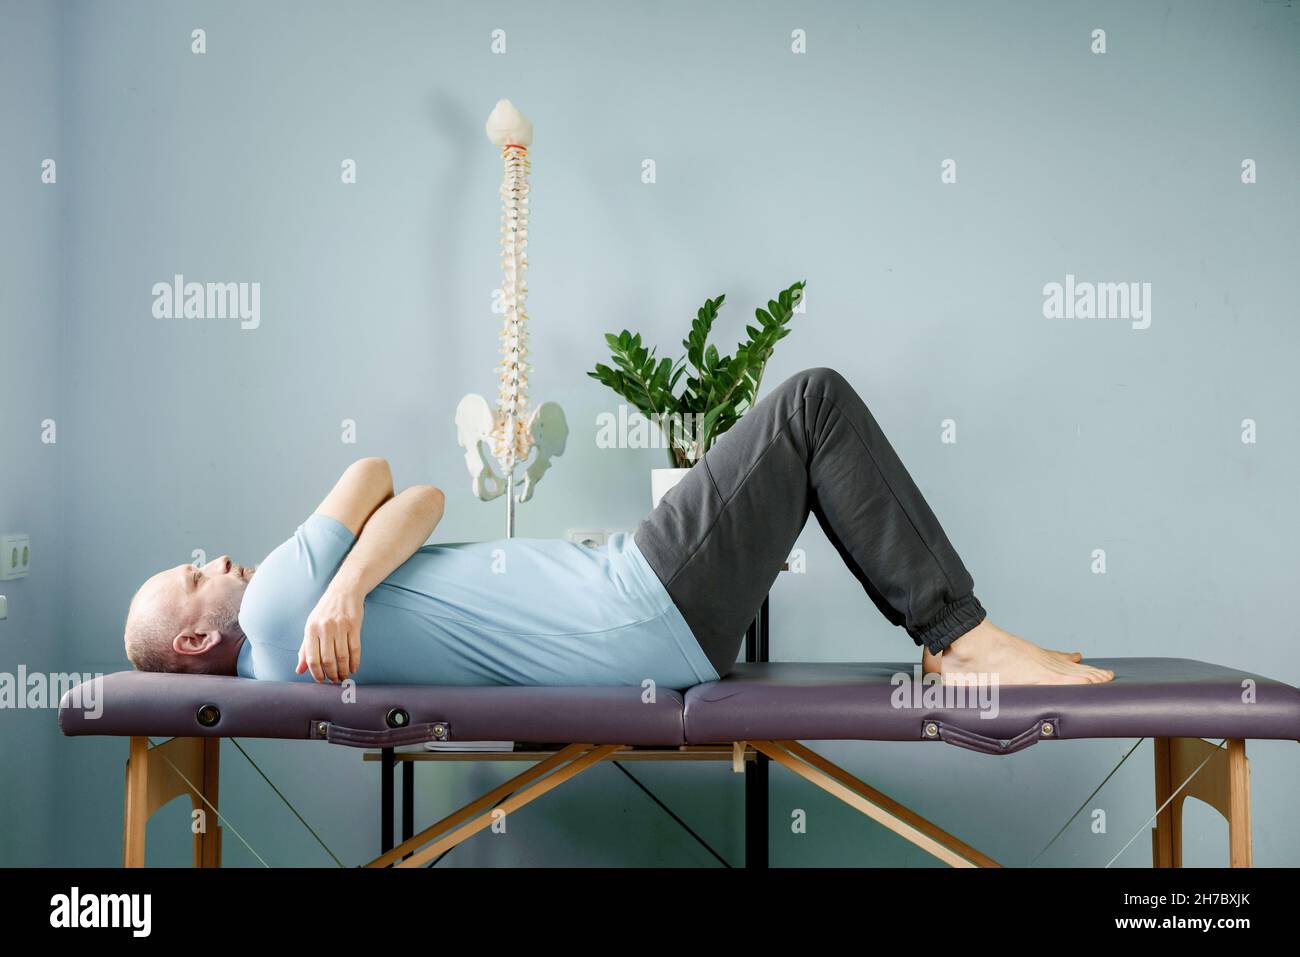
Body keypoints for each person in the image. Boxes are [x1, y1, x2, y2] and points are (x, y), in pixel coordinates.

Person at [123, 367, 1114, 689]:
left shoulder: (282, 649)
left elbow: (422, 501)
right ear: (200, 634)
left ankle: (958, 638)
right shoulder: (283, 609)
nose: (212, 560)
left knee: (805, 427)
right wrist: (339, 583)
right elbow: (379, 474)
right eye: (191, 575)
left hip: (632, 619)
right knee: (811, 405)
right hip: (630, 605)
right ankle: (966, 639)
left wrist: (355, 581)